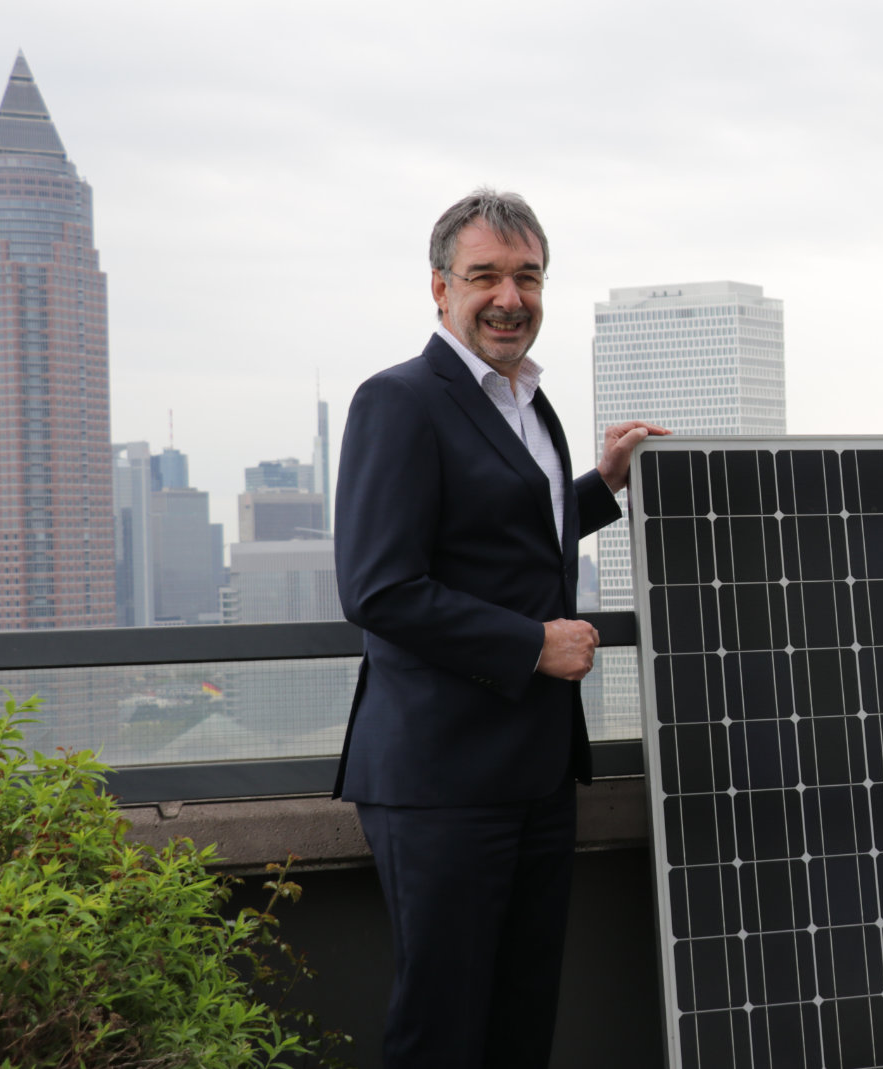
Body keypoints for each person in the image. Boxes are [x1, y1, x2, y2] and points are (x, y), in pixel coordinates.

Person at [333, 188, 666, 1068]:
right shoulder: (399, 400)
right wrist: (532, 644)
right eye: (484, 275)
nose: (509, 297)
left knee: (520, 1020)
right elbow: (379, 588)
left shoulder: (529, 402)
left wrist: (601, 484)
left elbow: (510, 532)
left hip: (534, 770)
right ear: (439, 288)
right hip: (440, 777)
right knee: (442, 1028)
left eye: (527, 276)